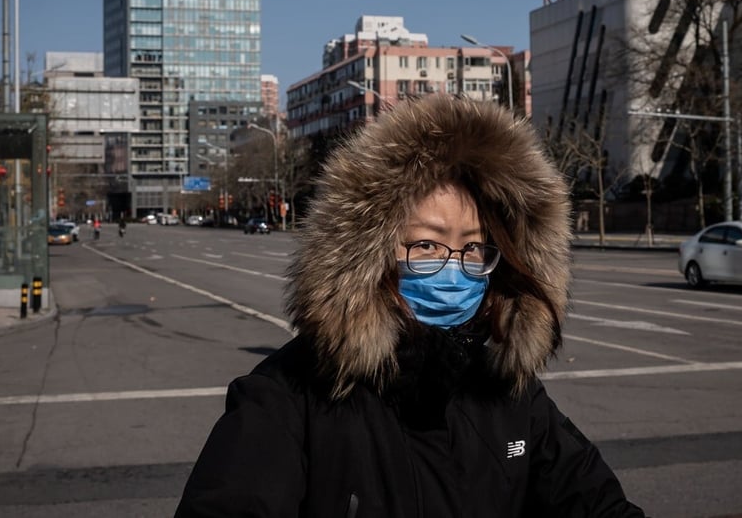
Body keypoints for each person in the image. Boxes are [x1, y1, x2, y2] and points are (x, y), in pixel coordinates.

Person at [174, 95, 646, 517]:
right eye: (425, 245)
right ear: (369, 256)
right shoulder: (287, 399)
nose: (454, 269)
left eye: (475, 248)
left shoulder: (512, 395)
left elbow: (595, 501)